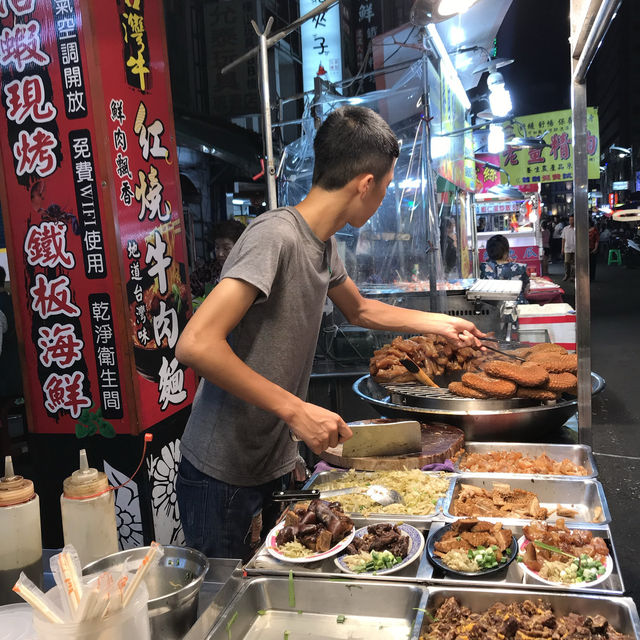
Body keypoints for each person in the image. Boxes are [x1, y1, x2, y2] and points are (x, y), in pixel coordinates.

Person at [175, 106, 485, 560]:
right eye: (385, 187)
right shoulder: (274, 236)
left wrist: (440, 323)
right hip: (223, 472)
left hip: (271, 460)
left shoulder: (323, 243)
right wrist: (296, 410)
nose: (382, 198)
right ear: (365, 184)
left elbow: (358, 309)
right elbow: (196, 343)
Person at [479, 234, 529, 304]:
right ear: (506, 251)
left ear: (488, 252)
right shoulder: (520, 268)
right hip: (518, 306)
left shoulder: (482, 268)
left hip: (491, 307)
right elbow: (526, 289)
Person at [561, 215, 576, 281]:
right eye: (570, 220)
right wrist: (562, 248)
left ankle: (573, 276)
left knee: (574, 263)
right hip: (567, 248)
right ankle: (567, 274)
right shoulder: (565, 229)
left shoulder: (577, 228)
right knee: (566, 262)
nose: (571, 221)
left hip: (575, 248)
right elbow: (563, 239)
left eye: (572, 220)